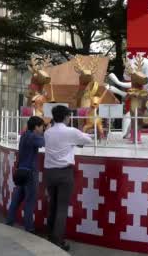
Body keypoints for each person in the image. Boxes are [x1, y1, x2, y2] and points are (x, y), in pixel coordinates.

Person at [44, 105, 92, 251]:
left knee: (53, 204)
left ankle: (49, 234)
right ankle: (58, 241)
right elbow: (88, 140)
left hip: (50, 173)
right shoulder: (71, 131)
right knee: (62, 207)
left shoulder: (48, 132)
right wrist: (77, 139)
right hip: (64, 173)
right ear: (66, 117)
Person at [5, 116, 45, 232]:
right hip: (30, 173)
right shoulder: (33, 137)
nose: (43, 129)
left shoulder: (24, 135)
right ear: (36, 127)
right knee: (30, 201)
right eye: (42, 127)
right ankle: (29, 228)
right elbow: (43, 143)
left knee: (16, 200)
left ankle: (9, 222)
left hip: (21, 171)